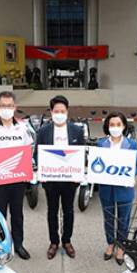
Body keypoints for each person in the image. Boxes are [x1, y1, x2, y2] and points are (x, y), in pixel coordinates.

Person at [0, 91, 34, 260]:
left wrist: (27, 169)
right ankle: (1, 246)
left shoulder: (23, 126)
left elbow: (28, 149)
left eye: (9, 106)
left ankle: (19, 245)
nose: (6, 109)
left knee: (17, 214)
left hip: (18, 179)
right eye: (3, 105)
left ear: (15, 107)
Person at [36, 95, 85, 260]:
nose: (59, 114)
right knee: (52, 211)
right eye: (56, 111)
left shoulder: (77, 131)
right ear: (51, 112)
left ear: (67, 112)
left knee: (69, 211)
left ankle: (67, 241)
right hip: (50, 180)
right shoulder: (43, 131)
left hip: (70, 179)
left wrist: (79, 173)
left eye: (62, 111)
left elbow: (81, 154)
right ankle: (54, 242)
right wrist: (42, 172)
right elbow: (37, 154)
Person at [97, 111, 137, 265]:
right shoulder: (101, 144)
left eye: (118, 124)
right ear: (107, 126)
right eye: (112, 124)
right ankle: (110, 243)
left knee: (124, 219)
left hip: (124, 188)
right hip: (106, 188)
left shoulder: (132, 144)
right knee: (108, 218)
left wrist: (131, 175)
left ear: (124, 126)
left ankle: (121, 247)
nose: (115, 127)